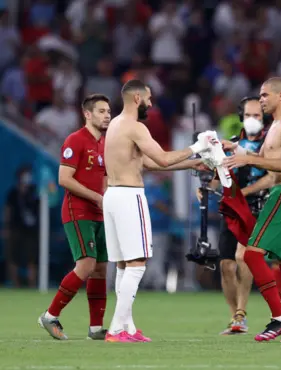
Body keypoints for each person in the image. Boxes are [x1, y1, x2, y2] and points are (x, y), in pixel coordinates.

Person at [102, 79, 211, 343]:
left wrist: (192, 163)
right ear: (137, 98)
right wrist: (199, 146)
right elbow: (162, 158)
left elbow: (149, 163)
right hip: (129, 196)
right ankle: (116, 329)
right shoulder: (135, 127)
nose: (151, 104)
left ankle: (126, 327)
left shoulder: (115, 125)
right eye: (149, 99)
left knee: (124, 265)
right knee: (138, 263)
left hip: (112, 195)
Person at [222, 77, 281, 343]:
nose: (261, 99)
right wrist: (234, 149)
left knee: (251, 255)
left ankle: (280, 318)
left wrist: (247, 157)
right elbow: (264, 160)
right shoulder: (275, 126)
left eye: (264, 95)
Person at [196, 96, 274, 335]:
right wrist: (207, 188)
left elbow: (271, 177)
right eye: (249, 115)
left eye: (257, 115)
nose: (253, 120)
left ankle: (242, 311)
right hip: (231, 210)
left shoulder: (269, 144)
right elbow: (219, 178)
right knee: (226, 265)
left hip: (257, 208)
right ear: (242, 117)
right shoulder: (228, 144)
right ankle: (235, 318)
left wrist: (244, 193)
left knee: (243, 258)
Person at [37, 94, 111, 340]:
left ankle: (95, 329)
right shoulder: (75, 140)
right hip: (77, 211)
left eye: (108, 111)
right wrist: (96, 197)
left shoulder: (104, 144)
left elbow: (103, 178)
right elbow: (64, 179)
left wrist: (107, 197)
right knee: (87, 265)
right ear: (87, 114)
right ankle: (49, 315)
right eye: (101, 111)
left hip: (99, 212)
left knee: (100, 269)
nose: (107, 115)